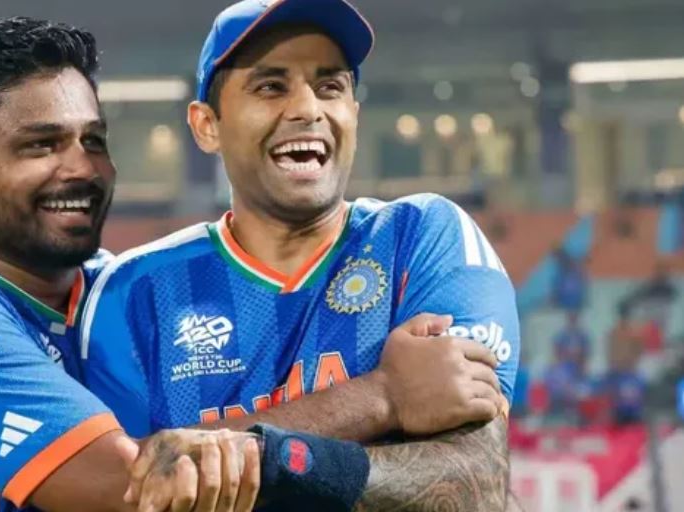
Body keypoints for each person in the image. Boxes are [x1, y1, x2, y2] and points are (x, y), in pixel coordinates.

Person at [84, 0, 519, 510]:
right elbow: (131, 487)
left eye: (330, 86)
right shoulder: (131, 292)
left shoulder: (423, 238)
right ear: (207, 125)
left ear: (354, 114)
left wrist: (250, 455)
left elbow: (473, 485)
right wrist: (384, 397)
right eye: (271, 86)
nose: (308, 109)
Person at [0, 18, 261, 512]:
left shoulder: (119, 288)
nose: (84, 168)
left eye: (94, 141)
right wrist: (347, 420)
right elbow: (143, 489)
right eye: (41, 145)